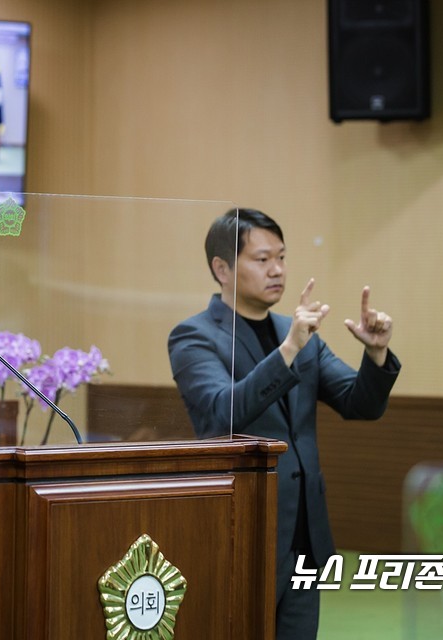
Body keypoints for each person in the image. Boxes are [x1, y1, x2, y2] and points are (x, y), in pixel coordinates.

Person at [167, 208, 400, 640]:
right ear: (222, 268)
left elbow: (359, 405)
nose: (277, 270)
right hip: (242, 530)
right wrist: (289, 349)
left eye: (282, 257)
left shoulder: (296, 332)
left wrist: (377, 355)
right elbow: (224, 412)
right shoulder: (194, 336)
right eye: (261, 259)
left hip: (305, 535)